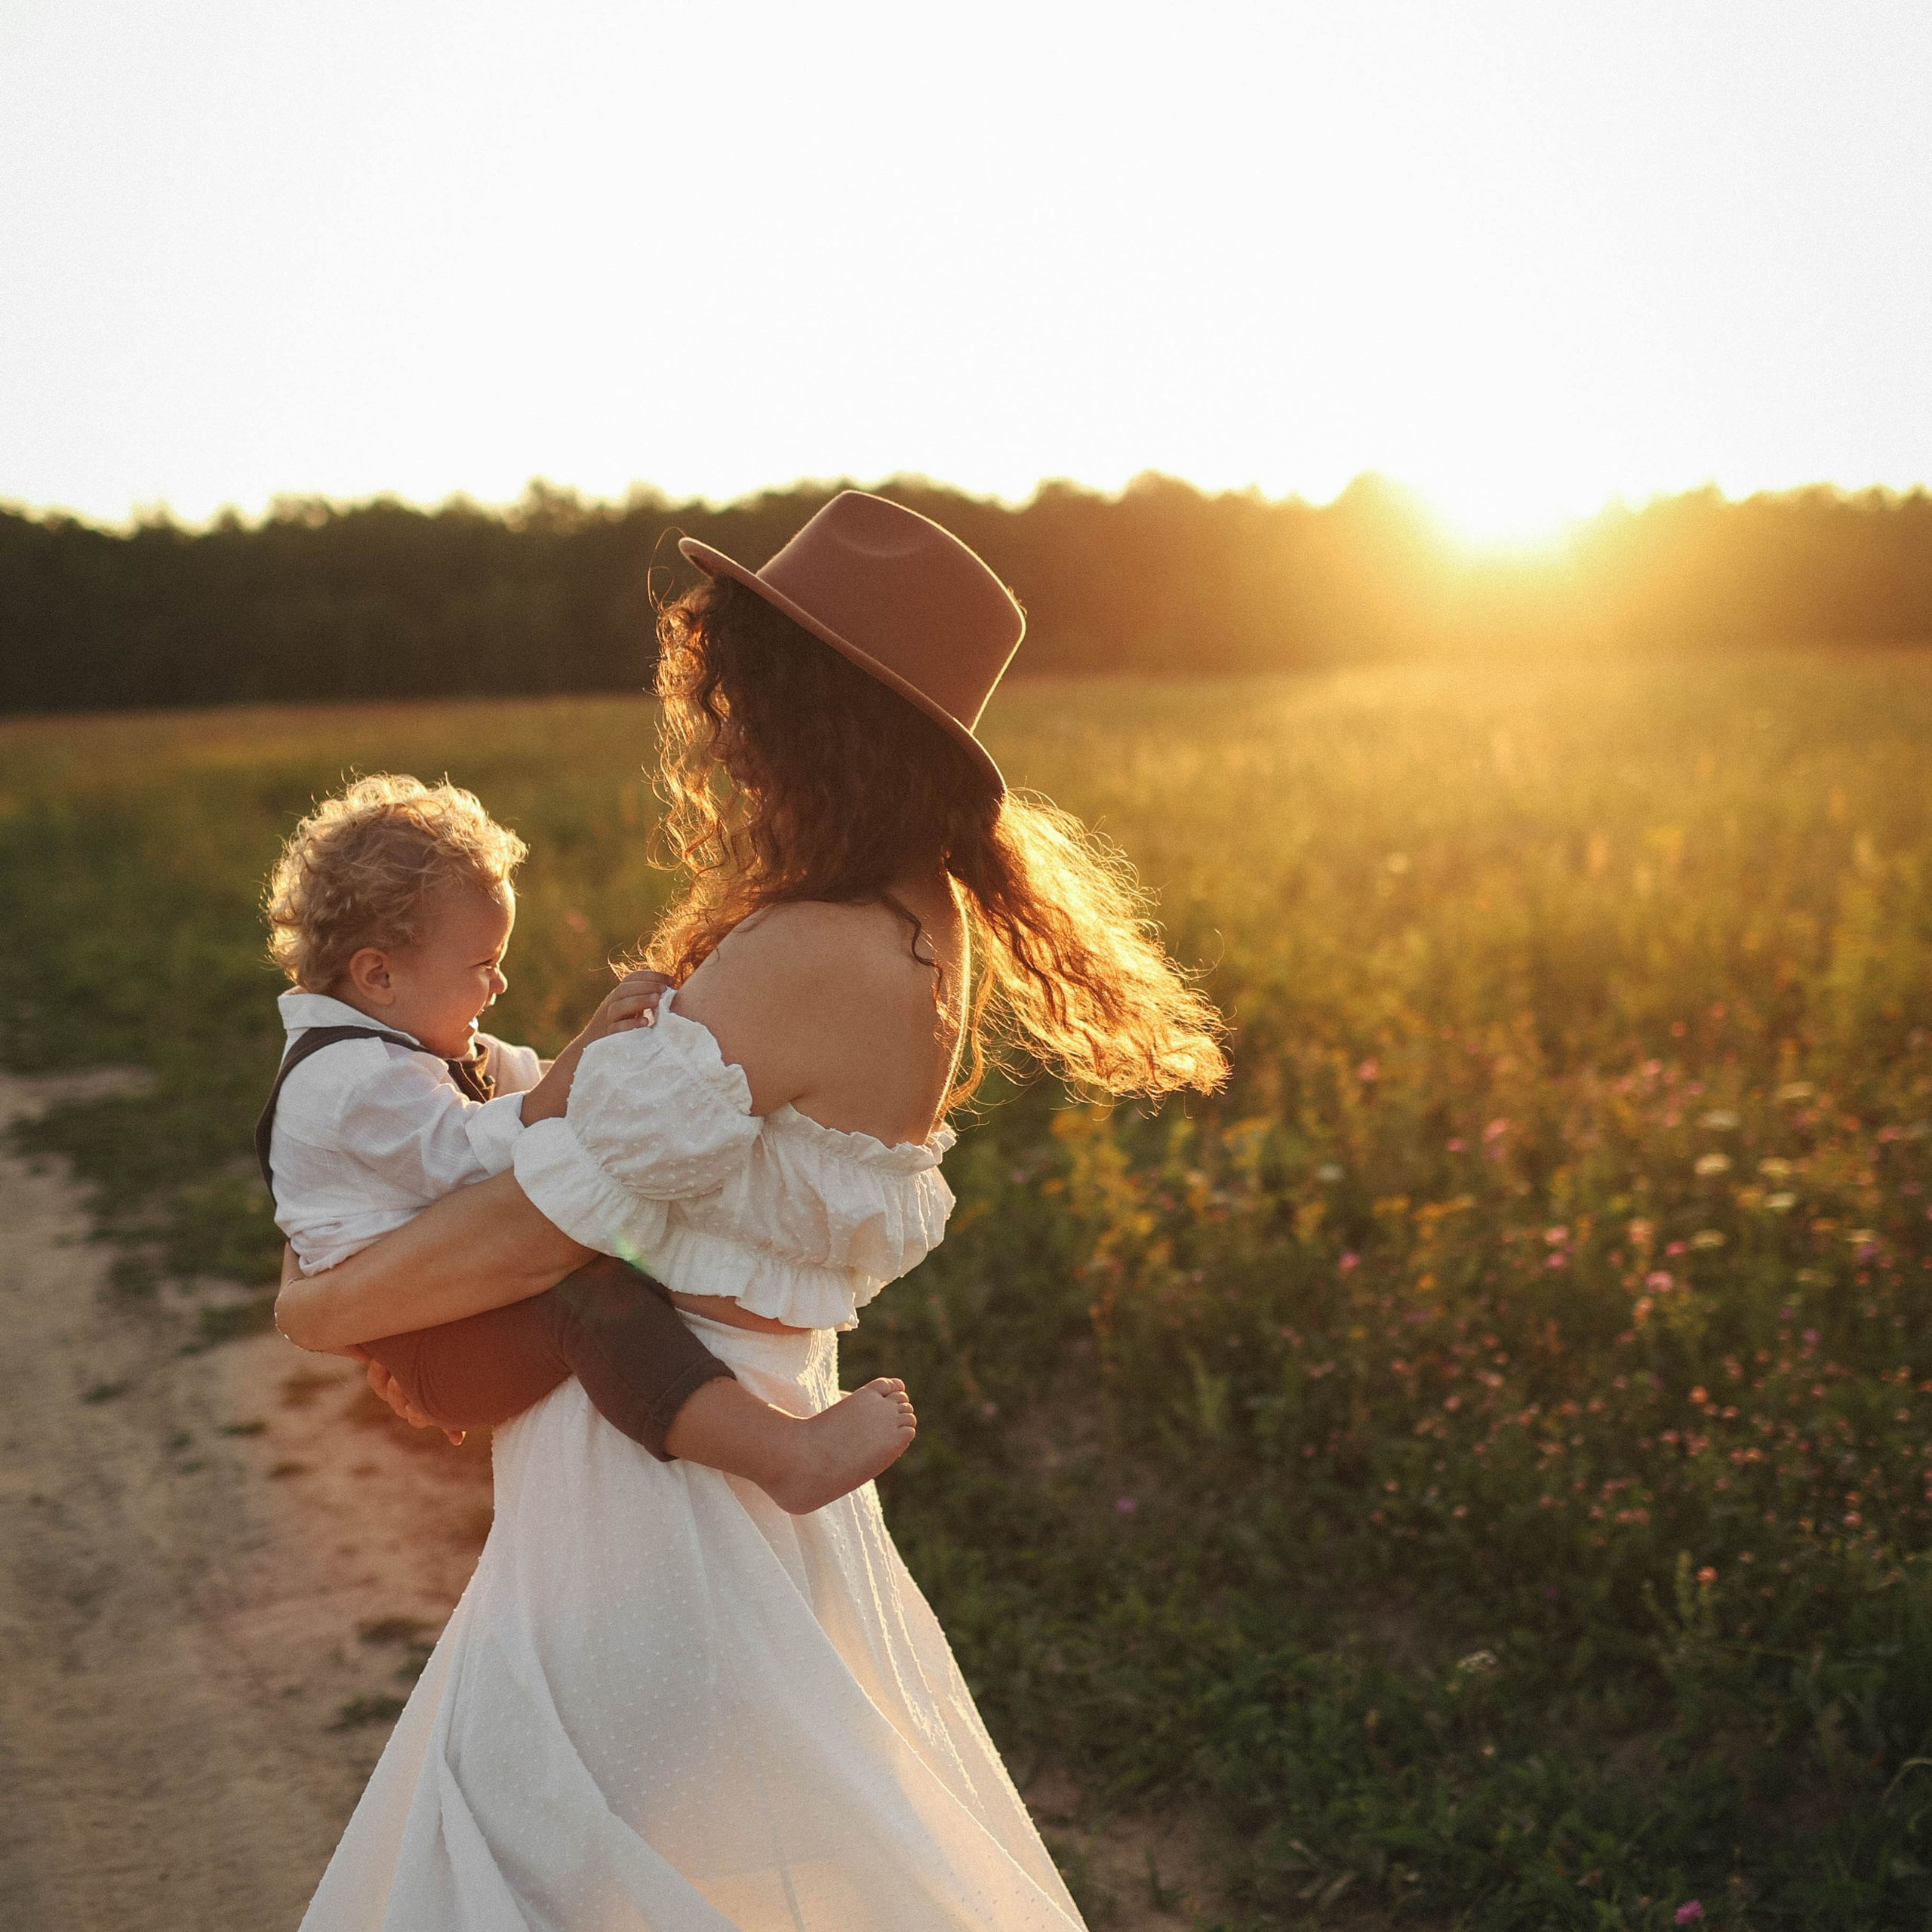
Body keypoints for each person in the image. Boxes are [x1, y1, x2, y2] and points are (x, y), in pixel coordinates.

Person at [278, 491, 1226, 1930]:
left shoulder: (810, 949)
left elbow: (555, 1225)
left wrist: (324, 1306)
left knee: (531, 1845)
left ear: (822, 721)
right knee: (611, 1847)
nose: (719, 738)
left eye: (743, 701)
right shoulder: (919, 926)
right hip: (733, 1422)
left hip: (653, 1479)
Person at [260, 773, 915, 1509]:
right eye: (482, 966)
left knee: (618, 1268)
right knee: (589, 1307)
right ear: (378, 973)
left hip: (430, 1316)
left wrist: (615, 1063)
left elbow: (514, 1082)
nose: (500, 983)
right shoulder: (352, 1079)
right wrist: (576, 1065)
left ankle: (716, 1410)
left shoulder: (396, 1048)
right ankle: (784, 1455)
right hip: (429, 1344)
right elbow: (471, 1152)